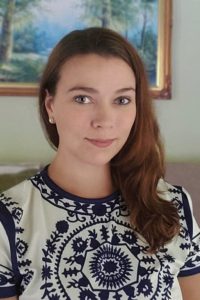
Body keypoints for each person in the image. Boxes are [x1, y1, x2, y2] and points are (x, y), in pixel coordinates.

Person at [0, 27, 199, 300]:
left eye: (122, 100)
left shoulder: (173, 205)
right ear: (50, 106)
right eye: (83, 98)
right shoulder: (8, 220)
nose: (105, 120)